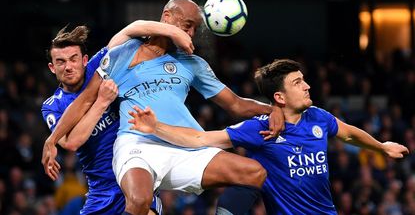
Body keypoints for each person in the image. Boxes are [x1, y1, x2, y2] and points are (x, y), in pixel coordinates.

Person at [41, 0, 284, 215]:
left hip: (185, 144)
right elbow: (83, 101)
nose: (190, 34)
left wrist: (271, 108)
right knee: (139, 199)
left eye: (195, 29)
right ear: (167, 18)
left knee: (254, 172)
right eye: (187, 25)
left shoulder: (193, 64)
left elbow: (236, 105)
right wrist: (51, 141)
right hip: (138, 143)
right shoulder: (125, 53)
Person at [128, 59, 410, 214]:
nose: (307, 86)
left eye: (304, 79)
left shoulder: (319, 118)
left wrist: (381, 147)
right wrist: (157, 128)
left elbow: (349, 134)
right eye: (298, 83)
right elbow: (202, 139)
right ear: (279, 97)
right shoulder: (259, 129)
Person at [41, 24, 191, 214]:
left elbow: (130, 30)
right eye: (61, 62)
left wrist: (172, 31)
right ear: (52, 68)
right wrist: (102, 102)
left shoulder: (99, 67)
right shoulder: (52, 105)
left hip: (134, 176)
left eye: (73, 59)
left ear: (85, 60)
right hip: (101, 193)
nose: (68, 67)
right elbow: (72, 142)